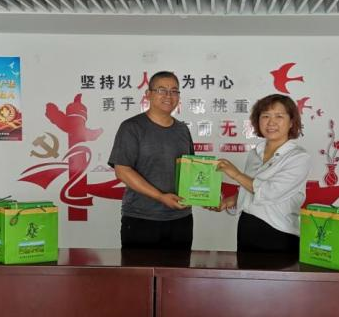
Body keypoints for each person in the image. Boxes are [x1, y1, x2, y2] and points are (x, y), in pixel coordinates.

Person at [109, 71, 194, 250]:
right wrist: (160, 197)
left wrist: (208, 196)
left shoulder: (182, 129)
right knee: (139, 268)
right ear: (148, 94)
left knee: (179, 268)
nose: (168, 96)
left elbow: (191, 169)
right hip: (142, 218)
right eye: (161, 90)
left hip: (181, 219)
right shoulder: (132, 127)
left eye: (174, 91)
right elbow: (122, 170)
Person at [215, 94, 311, 253]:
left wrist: (236, 174)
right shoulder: (255, 153)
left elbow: (269, 192)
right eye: (265, 116)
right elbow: (250, 189)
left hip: (279, 233)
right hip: (246, 228)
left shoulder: (299, 157)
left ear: (291, 122)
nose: (271, 122)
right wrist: (230, 201)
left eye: (279, 116)